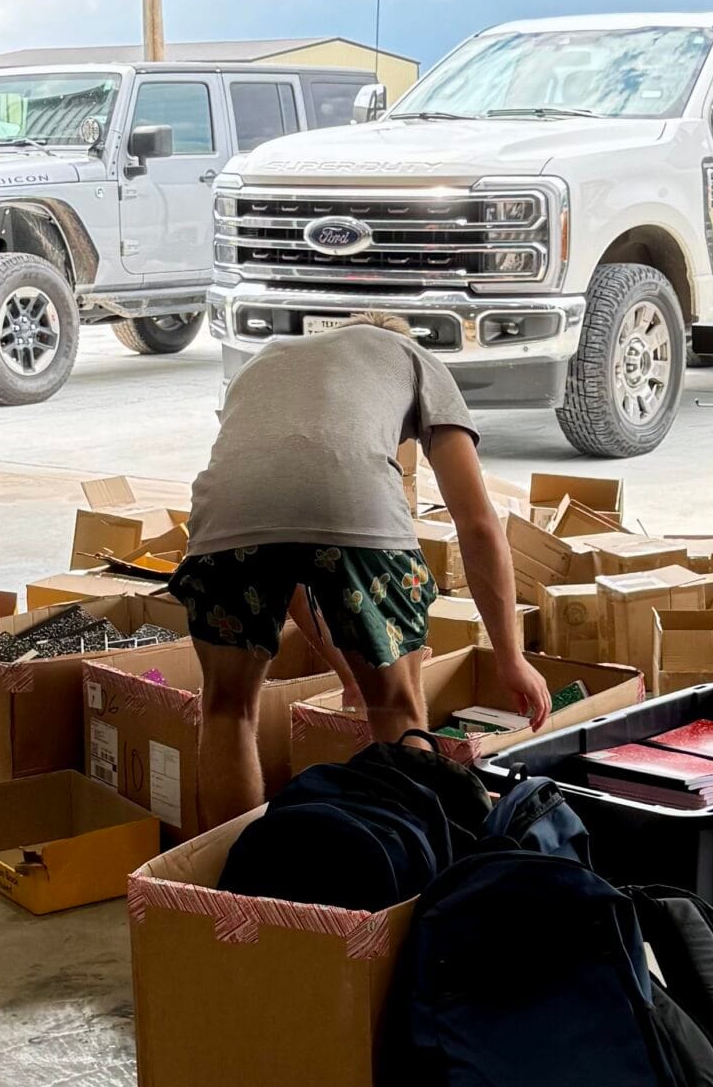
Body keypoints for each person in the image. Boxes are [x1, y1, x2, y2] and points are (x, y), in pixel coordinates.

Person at [170, 314, 552, 826]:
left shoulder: (267, 360)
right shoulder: (414, 357)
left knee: (225, 707)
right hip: (354, 508)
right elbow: (477, 523)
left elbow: (292, 562)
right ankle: (412, 862)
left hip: (225, 518)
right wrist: (511, 658)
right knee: (396, 707)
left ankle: (235, 872)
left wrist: (347, 671)